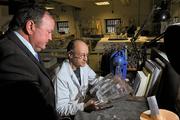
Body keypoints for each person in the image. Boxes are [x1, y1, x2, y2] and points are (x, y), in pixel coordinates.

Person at [0, 4, 58, 120]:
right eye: (49, 31)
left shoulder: (23, 48)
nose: (51, 38)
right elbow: (33, 111)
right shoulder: (14, 59)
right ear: (30, 26)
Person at [53, 39, 101, 117]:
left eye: (86, 55)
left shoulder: (83, 66)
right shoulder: (60, 76)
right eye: (82, 55)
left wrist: (111, 81)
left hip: (80, 107)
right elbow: (60, 109)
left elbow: (95, 80)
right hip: (68, 115)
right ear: (70, 55)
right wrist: (84, 106)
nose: (86, 59)